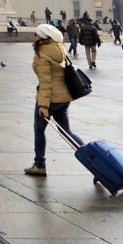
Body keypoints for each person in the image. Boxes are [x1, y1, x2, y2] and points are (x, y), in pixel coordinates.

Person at [24, 24, 82, 177]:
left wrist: (43, 105)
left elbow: (46, 82)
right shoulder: (59, 48)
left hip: (50, 99)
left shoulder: (43, 53)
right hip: (64, 97)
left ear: (43, 37)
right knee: (67, 132)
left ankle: (39, 164)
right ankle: (93, 156)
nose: (35, 37)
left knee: (39, 130)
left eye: (36, 34)